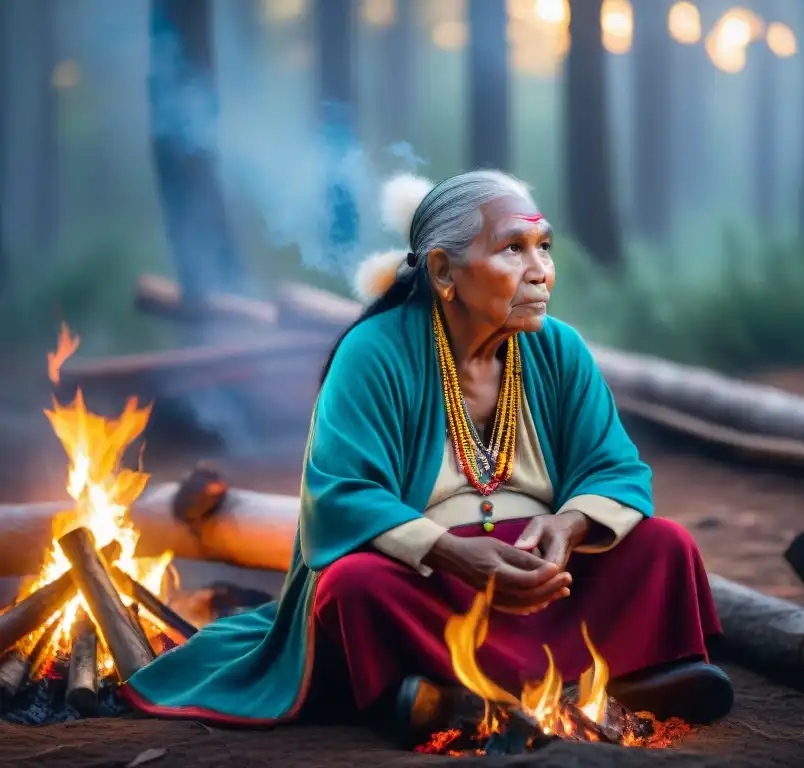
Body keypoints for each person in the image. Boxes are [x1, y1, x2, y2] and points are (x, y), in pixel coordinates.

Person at [122, 170, 732, 735]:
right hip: (428, 578)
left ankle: (583, 682)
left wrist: (568, 524)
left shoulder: (560, 349)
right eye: (513, 249)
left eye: (544, 247)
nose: (541, 270)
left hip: (542, 577)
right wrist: (453, 554)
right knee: (353, 586)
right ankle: (435, 693)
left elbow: (613, 466)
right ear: (444, 272)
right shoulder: (374, 353)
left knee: (665, 544)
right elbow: (340, 493)